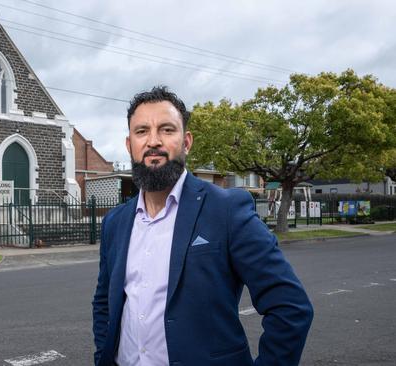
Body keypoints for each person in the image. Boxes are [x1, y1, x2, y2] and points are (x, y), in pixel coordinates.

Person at [92, 86, 313, 366]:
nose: (153, 141)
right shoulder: (116, 222)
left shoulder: (227, 210)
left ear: (186, 142)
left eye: (167, 129)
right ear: (129, 145)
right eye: (142, 131)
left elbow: (291, 308)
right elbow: (104, 305)